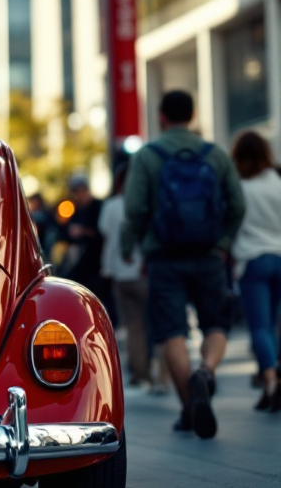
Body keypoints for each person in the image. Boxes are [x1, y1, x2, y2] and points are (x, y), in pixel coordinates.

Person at [123, 90, 245, 439]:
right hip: (208, 255)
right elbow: (237, 205)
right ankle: (206, 371)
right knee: (215, 323)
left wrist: (130, 247)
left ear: (162, 117)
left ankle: (189, 408)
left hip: (164, 256)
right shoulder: (216, 155)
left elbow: (134, 209)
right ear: (192, 115)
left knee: (172, 332)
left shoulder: (147, 156)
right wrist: (222, 244)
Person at [230, 130, 281, 412]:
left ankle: (271, 381)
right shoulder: (277, 182)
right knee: (271, 326)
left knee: (259, 327)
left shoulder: (240, 188)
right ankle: (269, 381)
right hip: (280, 257)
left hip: (253, 260)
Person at [99, 165, 150, 388]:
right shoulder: (145, 205)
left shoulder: (110, 206)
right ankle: (160, 372)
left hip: (119, 273)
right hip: (144, 270)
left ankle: (140, 373)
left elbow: (104, 231)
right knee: (153, 323)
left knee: (132, 326)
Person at [60, 174, 110, 311]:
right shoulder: (76, 209)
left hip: (97, 260)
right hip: (81, 262)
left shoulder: (99, 206)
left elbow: (102, 233)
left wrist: (83, 231)